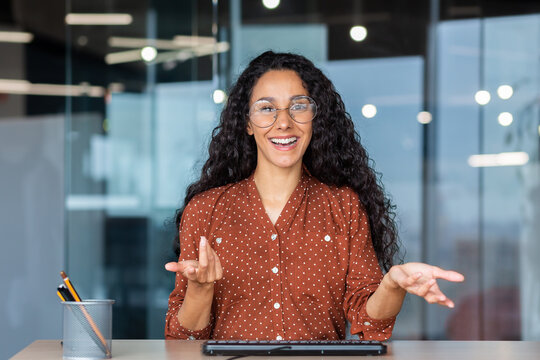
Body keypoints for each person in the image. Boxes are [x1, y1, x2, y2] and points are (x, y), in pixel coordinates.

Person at [164, 51, 464, 341]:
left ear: (315, 117)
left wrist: (393, 284)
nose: (284, 122)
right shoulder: (205, 210)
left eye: (298, 106)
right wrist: (200, 290)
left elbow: (369, 320)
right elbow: (183, 337)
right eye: (267, 108)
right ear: (246, 122)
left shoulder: (344, 206)